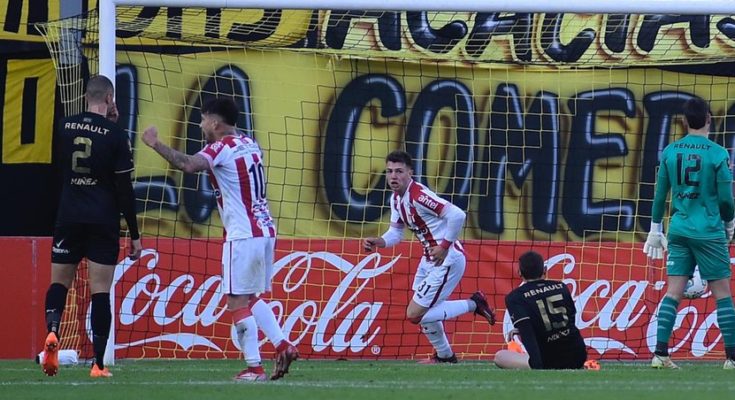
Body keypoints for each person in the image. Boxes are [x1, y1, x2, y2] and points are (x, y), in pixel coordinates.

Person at [141, 98, 298, 381]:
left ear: (215, 123)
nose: (201, 125)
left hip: (242, 234)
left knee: (237, 301)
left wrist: (155, 144)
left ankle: (254, 368)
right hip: (264, 231)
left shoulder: (221, 148)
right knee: (252, 297)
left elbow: (189, 165)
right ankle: (283, 344)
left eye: (203, 120)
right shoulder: (250, 143)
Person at [43, 75, 143, 378]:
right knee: (100, 291)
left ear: (86, 96)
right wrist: (134, 234)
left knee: (59, 284)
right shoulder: (115, 134)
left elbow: (57, 170)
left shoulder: (64, 126)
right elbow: (124, 188)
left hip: (69, 215)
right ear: (110, 98)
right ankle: (98, 364)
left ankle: (52, 332)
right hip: (102, 219)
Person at [363, 150, 496, 363]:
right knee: (426, 310)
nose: (393, 176)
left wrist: (444, 246)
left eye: (399, 171)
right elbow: (396, 233)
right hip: (429, 261)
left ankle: (474, 303)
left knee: (416, 314)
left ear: (410, 173)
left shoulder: (419, 196)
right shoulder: (396, 199)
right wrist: (380, 241)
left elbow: (457, 215)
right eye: (389, 171)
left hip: (447, 259)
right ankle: (445, 356)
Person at [643, 97, 735, 370]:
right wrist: (729, 223)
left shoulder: (670, 151)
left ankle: (660, 354)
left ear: (684, 122)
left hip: (679, 230)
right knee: (722, 294)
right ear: (709, 119)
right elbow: (726, 199)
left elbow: (660, 195)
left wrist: (655, 229)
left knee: (673, 292)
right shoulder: (718, 153)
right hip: (708, 231)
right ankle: (731, 358)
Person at [493, 251, 587, 369]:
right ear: (544, 270)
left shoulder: (515, 297)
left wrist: (537, 364)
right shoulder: (561, 287)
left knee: (500, 356)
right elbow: (570, 320)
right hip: (578, 355)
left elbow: (528, 335)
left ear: (519, 273)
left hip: (548, 360)